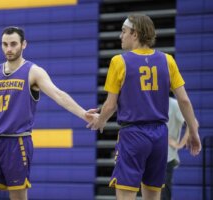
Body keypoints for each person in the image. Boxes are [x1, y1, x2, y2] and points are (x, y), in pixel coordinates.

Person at [0, 26, 96, 200]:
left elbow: (58, 94)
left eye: (13, 44)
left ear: (24, 44)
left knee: (18, 196)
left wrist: (83, 114)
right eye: (5, 44)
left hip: (17, 142)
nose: (9, 49)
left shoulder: (33, 71)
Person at [86, 14, 202, 200]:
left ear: (135, 33)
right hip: (159, 136)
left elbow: (110, 105)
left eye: (123, 31)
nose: (120, 36)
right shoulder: (168, 60)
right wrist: (194, 133)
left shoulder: (119, 61)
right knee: (153, 196)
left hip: (133, 135)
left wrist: (100, 120)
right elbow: (185, 101)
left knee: (125, 195)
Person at [161, 96, 198, 200]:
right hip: (151, 154)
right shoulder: (153, 103)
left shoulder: (173, 104)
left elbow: (194, 123)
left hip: (167, 156)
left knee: (163, 193)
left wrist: (180, 144)